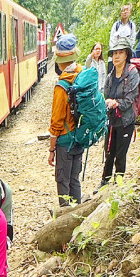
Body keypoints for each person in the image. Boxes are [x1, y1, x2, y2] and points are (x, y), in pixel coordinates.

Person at [98, 37, 140, 189]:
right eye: (114, 53)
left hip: (125, 121)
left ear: (126, 55)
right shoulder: (111, 74)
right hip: (111, 120)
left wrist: (116, 103)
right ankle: (104, 183)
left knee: (120, 154)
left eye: (120, 53)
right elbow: (106, 93)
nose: (116, 56)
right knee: (109, 152)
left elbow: (130, 98)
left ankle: (118, 185)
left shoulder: (132, 73)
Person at [48, 34, 84, 207]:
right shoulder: (82, 75)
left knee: (63, 181)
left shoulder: (62, 86)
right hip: (80, 137)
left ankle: (65, 220)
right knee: (74, 179)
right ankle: (78, 216)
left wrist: (51, 149)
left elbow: (56, 121)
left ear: (60, 61)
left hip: (65, 141)